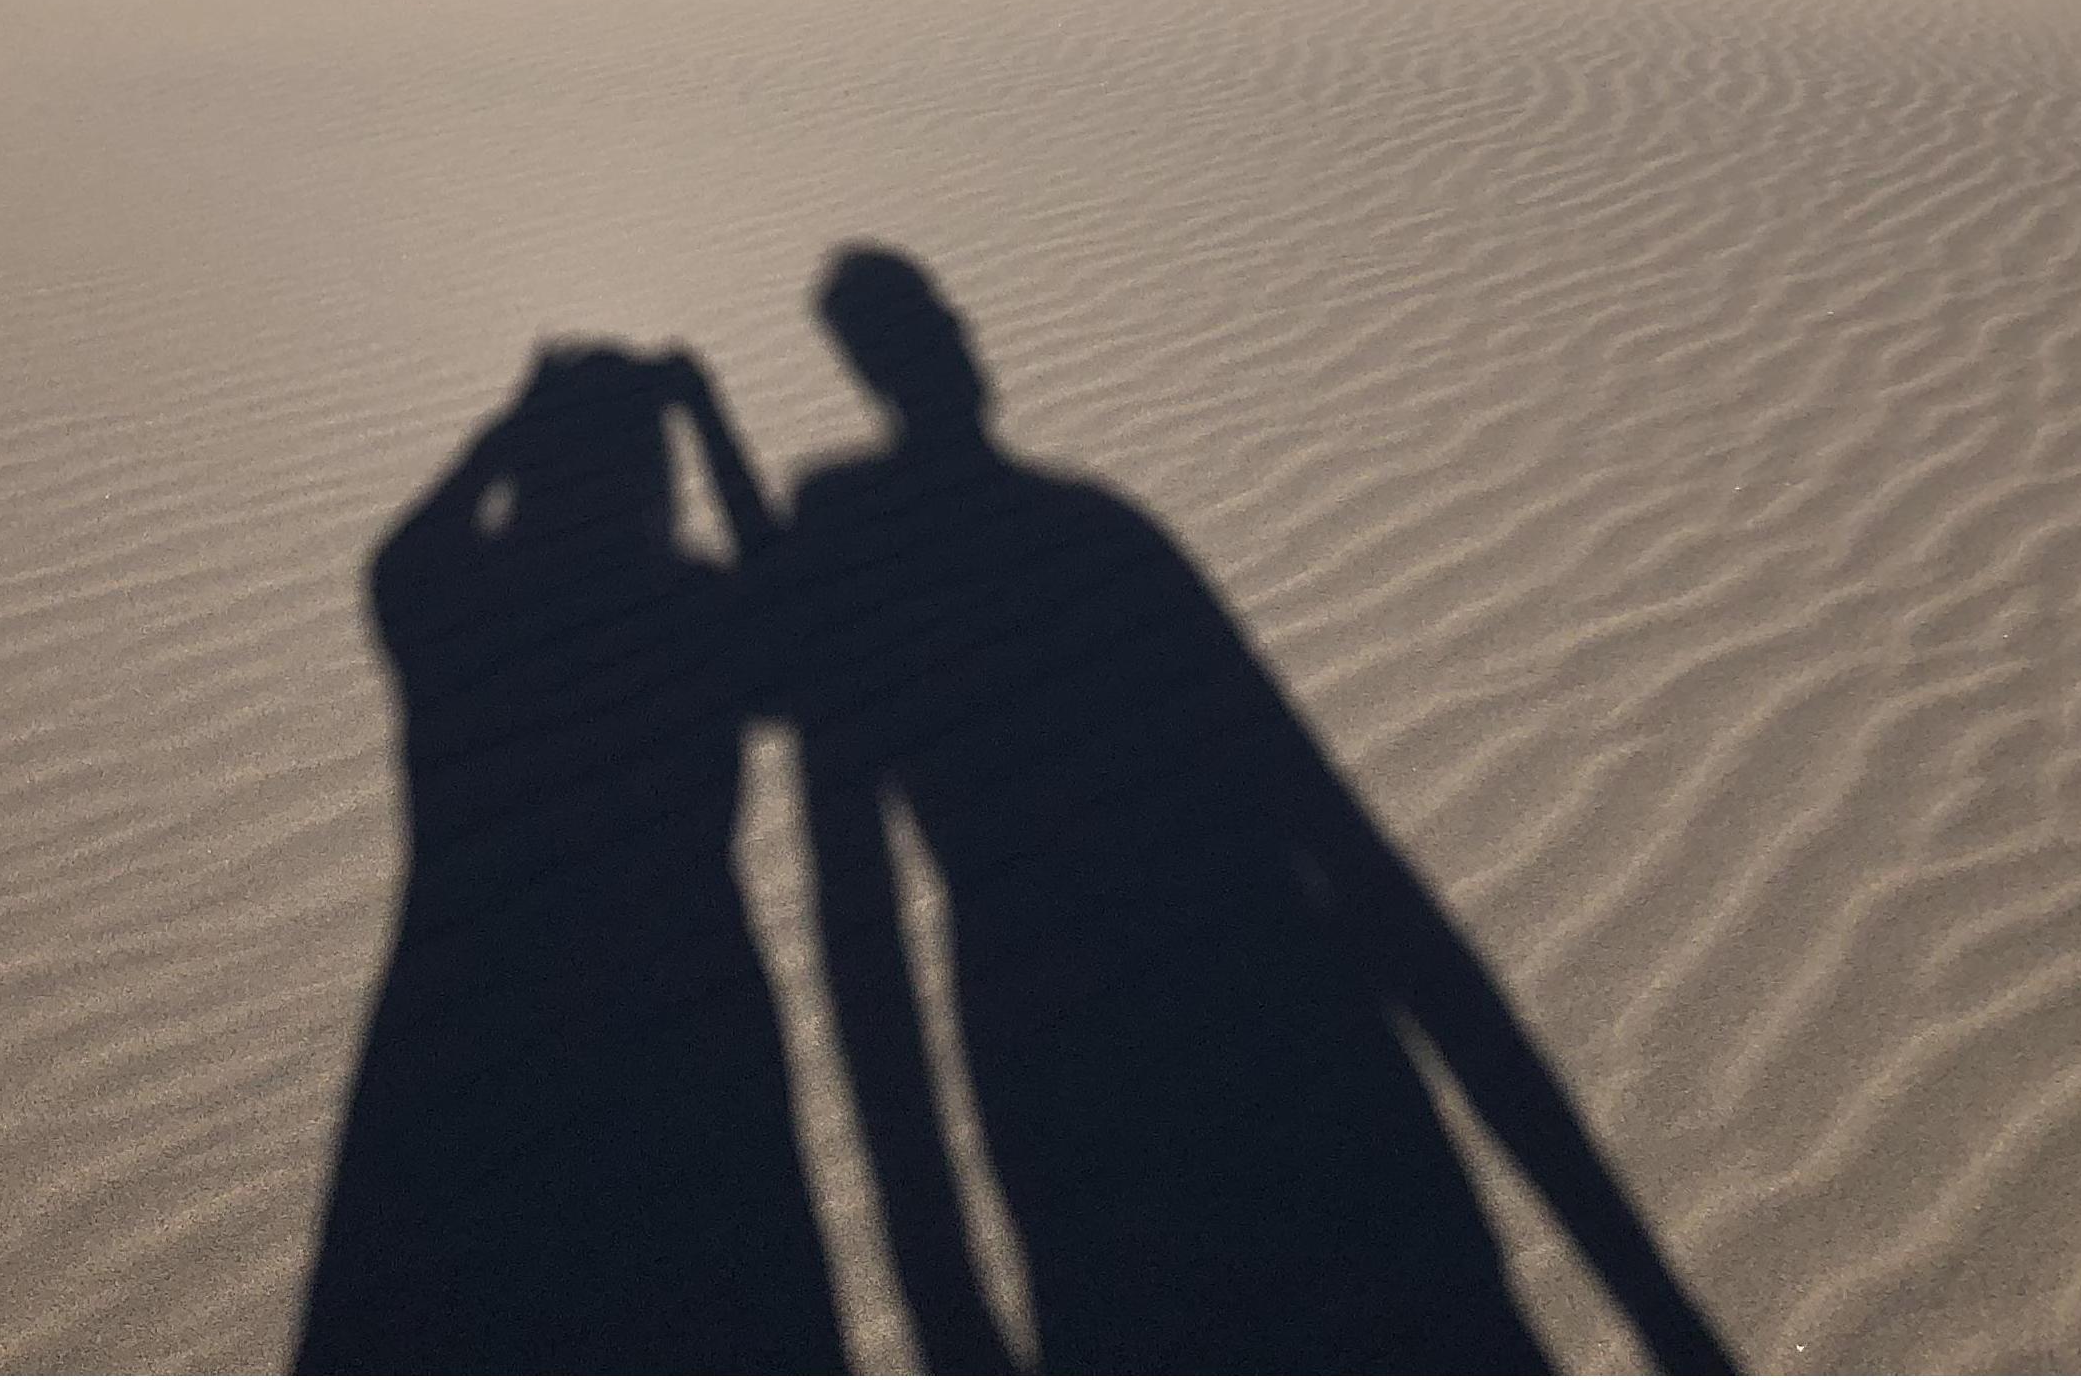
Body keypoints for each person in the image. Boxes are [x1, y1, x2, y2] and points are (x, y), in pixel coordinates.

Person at [777, 247, 1732, 1376]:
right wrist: (1655, 1304)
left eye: (945, 313)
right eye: (928, 322)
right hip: (1241, 1089)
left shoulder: (877, 564)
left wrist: (947, 1312)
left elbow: (866, 960)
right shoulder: (1084, 544)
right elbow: (1358, 870)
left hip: (1128, 1107)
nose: (958, 336)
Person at [295, 343, 840, 1373]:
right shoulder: (687, 613)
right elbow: (802, 634)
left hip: (462, 1034)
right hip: (683, 1032)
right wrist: (712, 424)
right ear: (651, 474)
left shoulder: (455, 605)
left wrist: (510, 423)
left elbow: (398, 557)